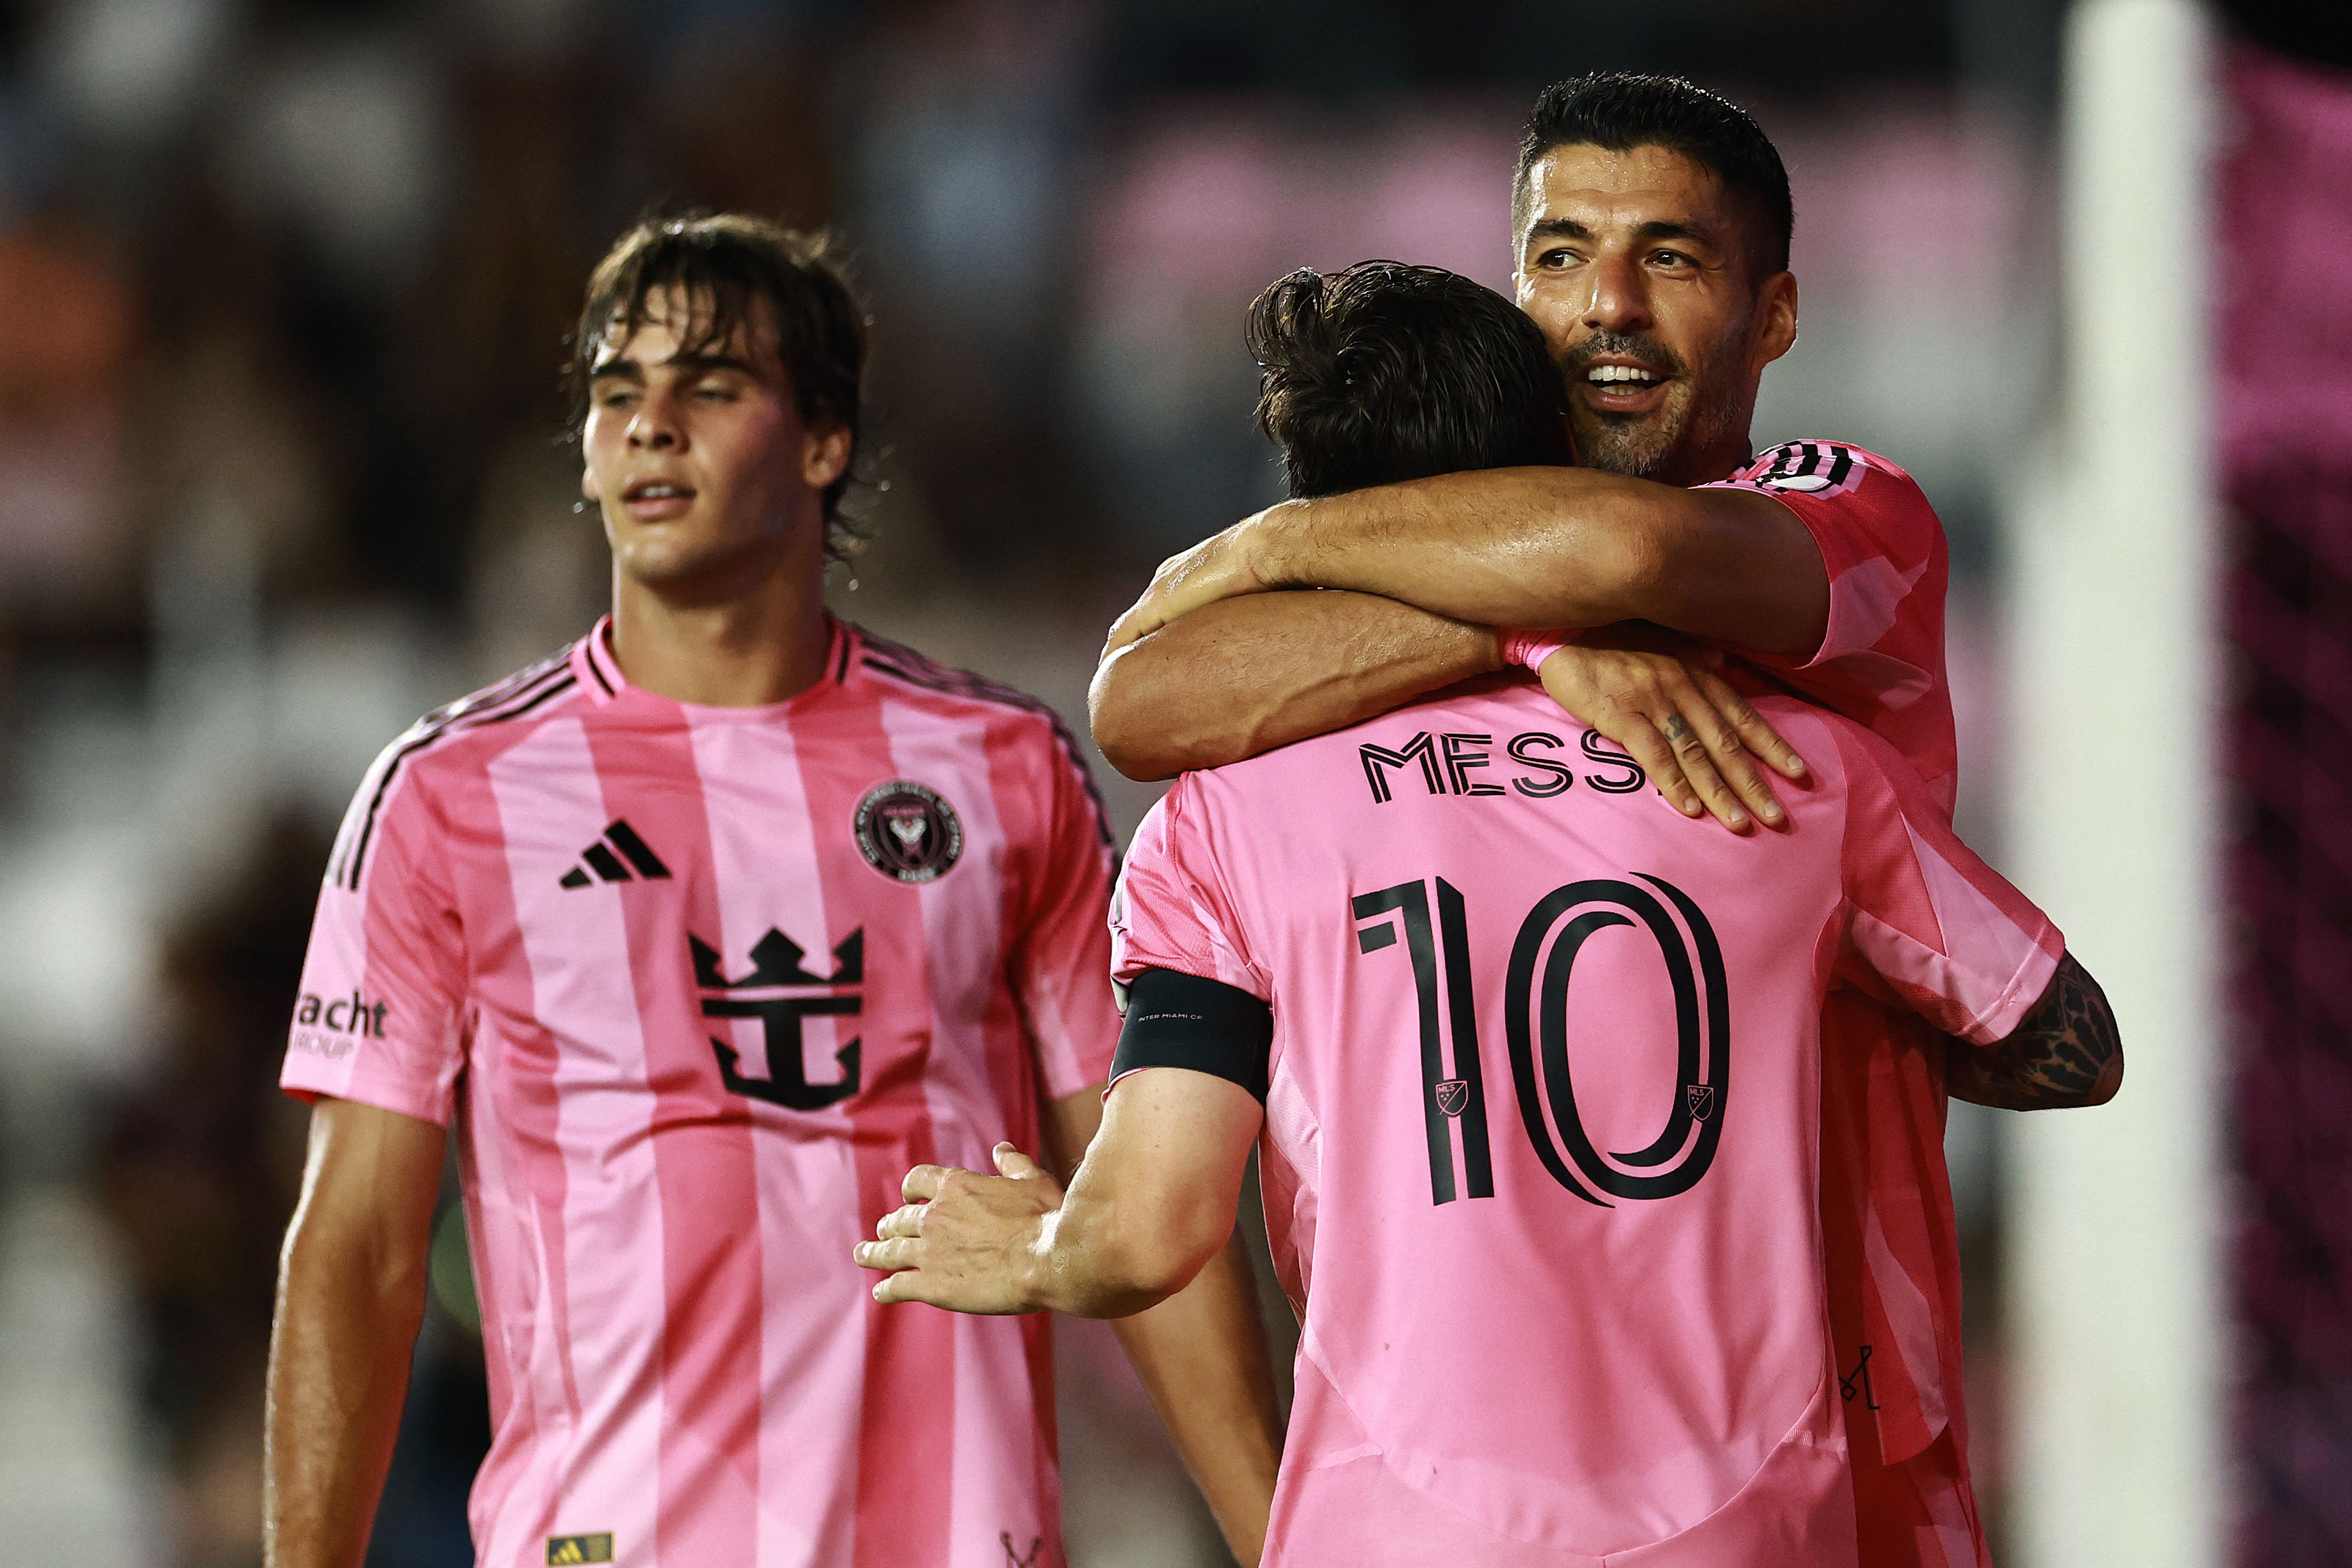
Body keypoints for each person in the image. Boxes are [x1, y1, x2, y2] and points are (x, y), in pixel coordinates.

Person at [856, 260, 2121, 1566]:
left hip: (1400, 1525)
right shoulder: (1785, 760)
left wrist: (1045, 1250)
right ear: (1555, 462)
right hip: (1742, 1525)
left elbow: (1149, 1227)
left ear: (1313, 505)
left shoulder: (1222, 820)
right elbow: (2070, 1040)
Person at [262, 213, 1281, 1568]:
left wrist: (1282, 1535)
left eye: (710, 386)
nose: (648, 425)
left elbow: (1145, 1193)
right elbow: (359, 1248)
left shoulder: (1002, 768)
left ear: (823, 441)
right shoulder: (449, 795)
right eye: (617, 393)